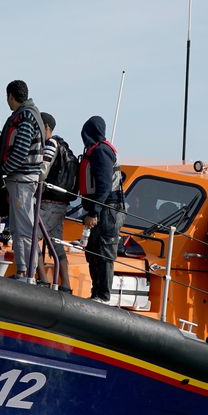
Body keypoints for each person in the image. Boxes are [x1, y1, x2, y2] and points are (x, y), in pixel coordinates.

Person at [0, 80, 45, 281]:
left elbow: (20, 151)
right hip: (21, 179)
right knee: (19, 227)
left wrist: (0, 172)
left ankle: (27, 272)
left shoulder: (25, 117)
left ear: (11, 96)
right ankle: (24, 270)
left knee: (23, 227)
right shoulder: (31, 115)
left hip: (22, 180)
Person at [79, 116, 124, 302]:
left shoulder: (101, 152)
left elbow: (104, 185)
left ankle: (103, 296)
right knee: (92, 251)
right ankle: (96, 292)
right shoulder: (97, 151)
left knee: (104, 253)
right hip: (100, 209)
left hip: (107, 211)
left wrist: (94, 212)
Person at [38, 113, 75, 293]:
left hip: (48, 202)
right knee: (56, 243)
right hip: (61, 203)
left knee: (29, 238)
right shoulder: (64, 146)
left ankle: (42, 279)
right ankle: (66, 284)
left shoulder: (51, 144)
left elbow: (42, 171)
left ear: (46, 127)